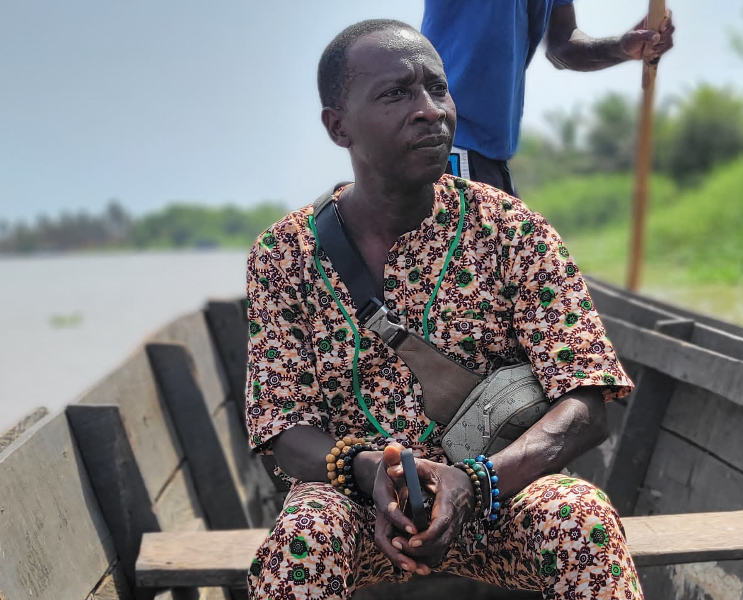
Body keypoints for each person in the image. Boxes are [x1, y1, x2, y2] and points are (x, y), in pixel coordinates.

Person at [245, 19, 640, 600]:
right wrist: (368, 473)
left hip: (499, 497)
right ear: (338, 127)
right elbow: (281, 427)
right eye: (396, 94)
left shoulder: (512, 230)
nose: (430, 110)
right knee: (305, 535)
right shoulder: (283, 255)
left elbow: (585, 401)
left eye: (438, 88)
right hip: (360, 510)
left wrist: (474, 483)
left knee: (581, 519)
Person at [421, 1, 675, 195]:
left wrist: (621, 48)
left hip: (493, 155)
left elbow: (563, 47)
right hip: (450, 139)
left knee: (509, 261)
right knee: (469, 261)